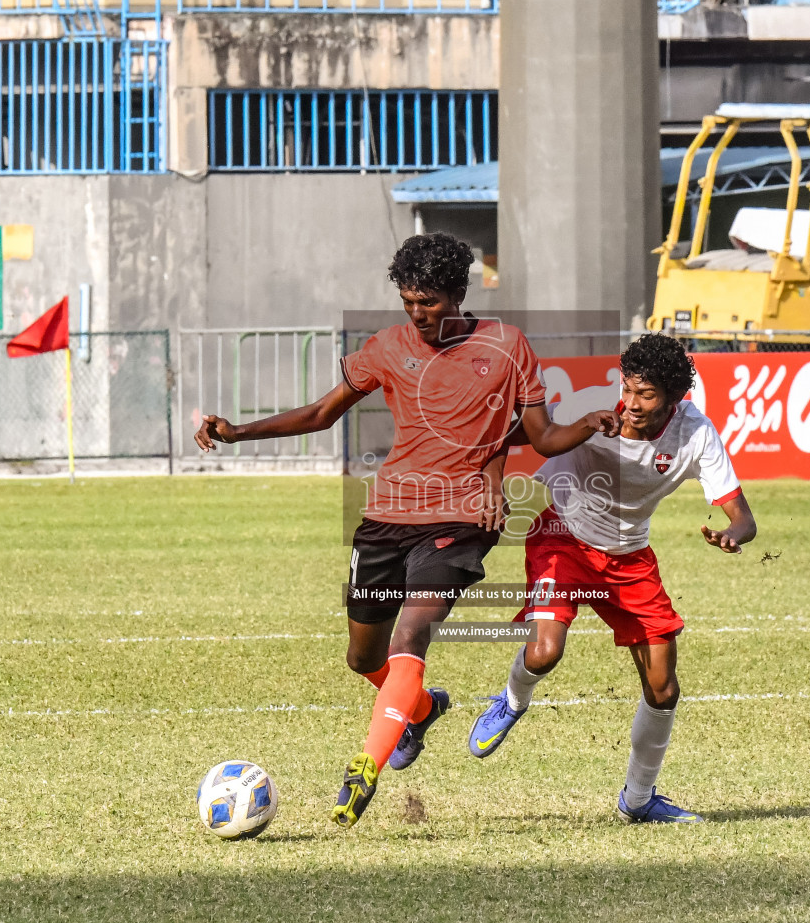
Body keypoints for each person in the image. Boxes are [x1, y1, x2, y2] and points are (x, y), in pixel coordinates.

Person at [195, 232, 617, 828]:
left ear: (459, 294)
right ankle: (417, 711)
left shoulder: (507, 346)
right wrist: (239, 432)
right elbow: (321, 414)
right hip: (388, 516)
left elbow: (539, 436)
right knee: (362, 656)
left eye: (430, 302)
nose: (418, 314)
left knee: (410, 635)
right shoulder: (387, 347)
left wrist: (588, 424)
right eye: (408, 301)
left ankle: (363, 768)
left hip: (462, 517)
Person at [467, 333, 757, 823]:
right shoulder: (592, 413)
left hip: (629, 559)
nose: (632, 404)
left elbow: (744, 517)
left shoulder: (696, 433)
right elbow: (500, 434)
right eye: (628, 390)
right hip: (562, 536)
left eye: (647, 396)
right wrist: (493, 487)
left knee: (664, 689)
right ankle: (512, 700)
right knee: (544, 652)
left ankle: (639, 800)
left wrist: (734, 533)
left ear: (675, 399)